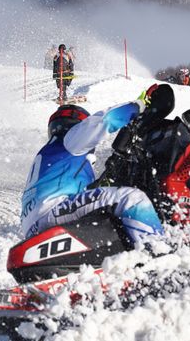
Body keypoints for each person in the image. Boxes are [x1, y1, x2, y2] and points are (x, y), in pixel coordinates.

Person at [19, 91, 164, 245]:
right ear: (76, 124)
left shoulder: (50, 153)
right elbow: (106, 120)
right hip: (52, 212)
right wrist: (139, 106)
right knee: (131, 199)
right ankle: (157, 253)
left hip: (33, 226)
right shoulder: (70, 140)